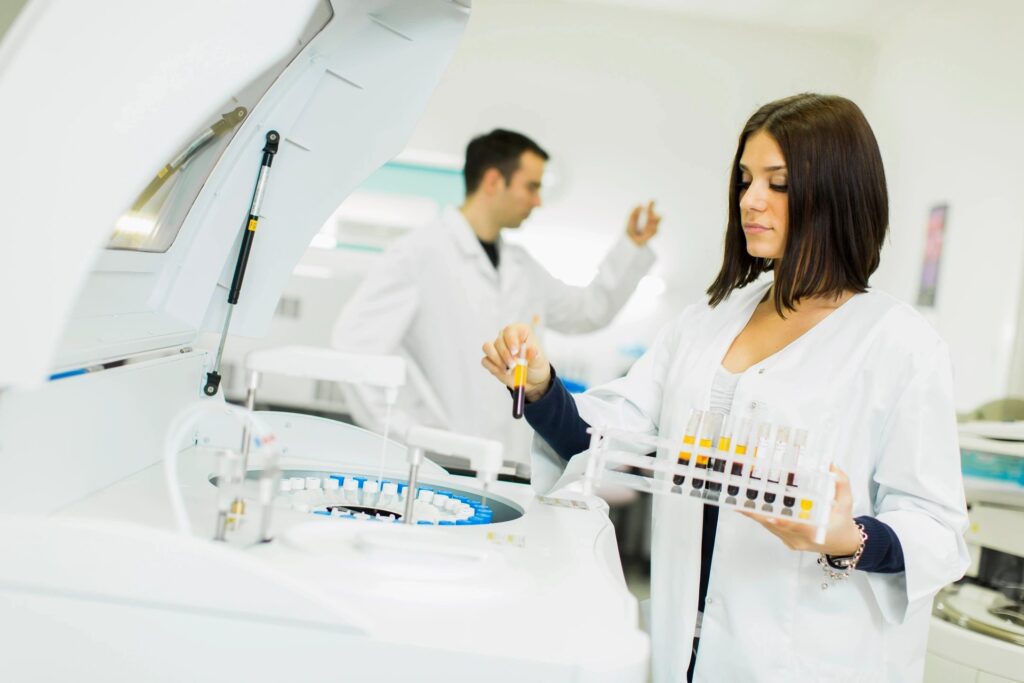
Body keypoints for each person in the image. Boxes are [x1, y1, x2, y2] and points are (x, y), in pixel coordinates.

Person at [481, 94, 968, 681]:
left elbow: (937, 529)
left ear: (837, 192)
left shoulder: (898, 345)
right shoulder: (708, 321)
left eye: (778, 182)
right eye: (744, 179)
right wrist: (541, 387)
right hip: (683, 645)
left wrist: (848, 538)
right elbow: (613, 436)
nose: (750, 200)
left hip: (811, 657)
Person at [332, 129, 661, 475]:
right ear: (493, 181)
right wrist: (408, 431)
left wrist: (631, 248)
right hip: (438, 463)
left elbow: (588, 311)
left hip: (509, 463)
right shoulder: (419, 254)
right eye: (532, 187)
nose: (538, 201)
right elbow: (354, 345)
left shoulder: (522, 267)